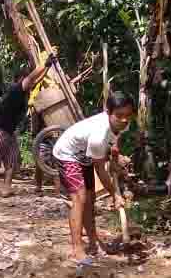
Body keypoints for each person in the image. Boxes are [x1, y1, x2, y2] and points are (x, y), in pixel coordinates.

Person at [52, 92, 135, 265]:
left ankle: (93, 242)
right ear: (108, 112)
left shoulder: (123, 123)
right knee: (80, 197)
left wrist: (114, 157)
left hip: (85, 156)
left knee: (90, 199)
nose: (124, 120)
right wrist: (115, 194)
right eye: (119, 115)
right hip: (67, 153)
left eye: (128, 115)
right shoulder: (98, 136)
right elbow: (100, 169)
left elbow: (115, 140)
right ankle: (77, 249)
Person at [0, 56, 56, 196]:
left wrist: (47, 68)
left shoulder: (23, 91)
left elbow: (35, 80)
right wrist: (45, 63)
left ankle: (6, 189)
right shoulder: (16, 89)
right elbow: (32, 77)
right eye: (27, 80)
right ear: (21, 79)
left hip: (9, 131)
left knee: (11, 162)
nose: (31, 83)